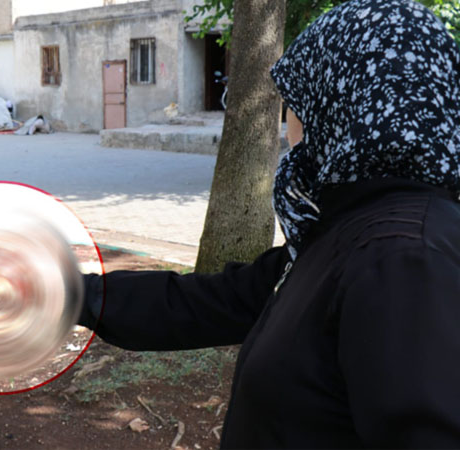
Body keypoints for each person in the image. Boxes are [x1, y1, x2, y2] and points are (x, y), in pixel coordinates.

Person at [79, 0, 460, 446]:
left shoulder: (402, 259)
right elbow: (210, 302)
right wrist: (68, 295)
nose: (288, 124)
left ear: (345, 106)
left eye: (297, 102)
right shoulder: (349, 231)